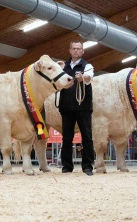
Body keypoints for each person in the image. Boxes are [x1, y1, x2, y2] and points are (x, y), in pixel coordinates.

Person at [59, 41, 95, 176]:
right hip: (66, 107)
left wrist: (83, 77)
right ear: (70, 50)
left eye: (78, 49)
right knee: (67, 138)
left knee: (87, 137)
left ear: (83, 51)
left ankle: (87, 166)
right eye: (73, 49)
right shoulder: (63, 66)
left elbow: (89, 77)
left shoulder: (87, 66)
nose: (76, 51)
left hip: (83, 107)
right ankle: (67, 166)